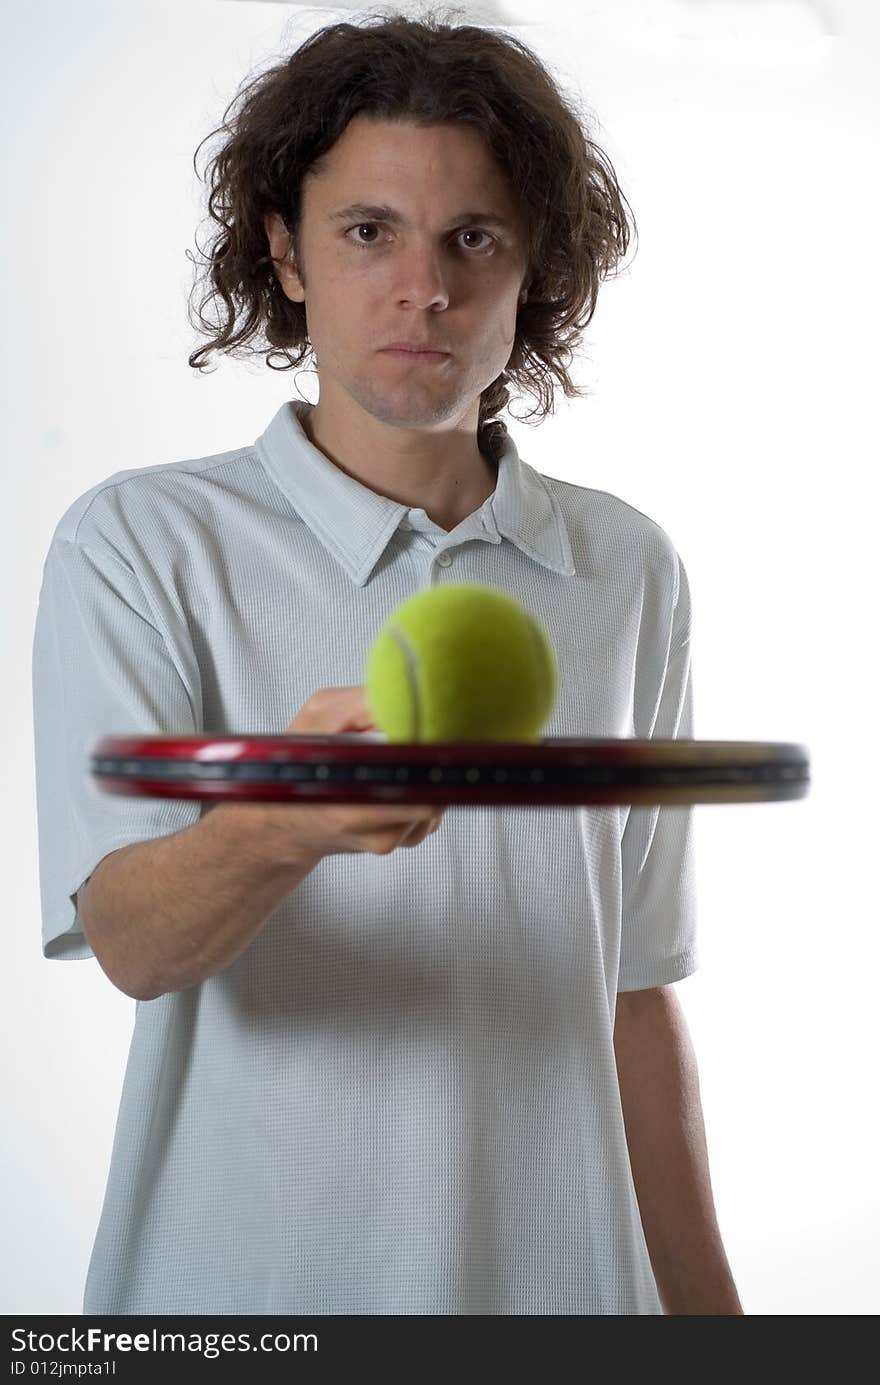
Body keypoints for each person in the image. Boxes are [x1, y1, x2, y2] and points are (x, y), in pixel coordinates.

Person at [31, 8, 743, 1314]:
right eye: (370, 232)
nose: (428, 285)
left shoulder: (630, 568)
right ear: (286, 254)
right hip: (242, 1307)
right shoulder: (139, 543)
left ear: (538, 269)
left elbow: (635, 996)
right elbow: (125, 934)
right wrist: (276, 824)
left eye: (475, 237)